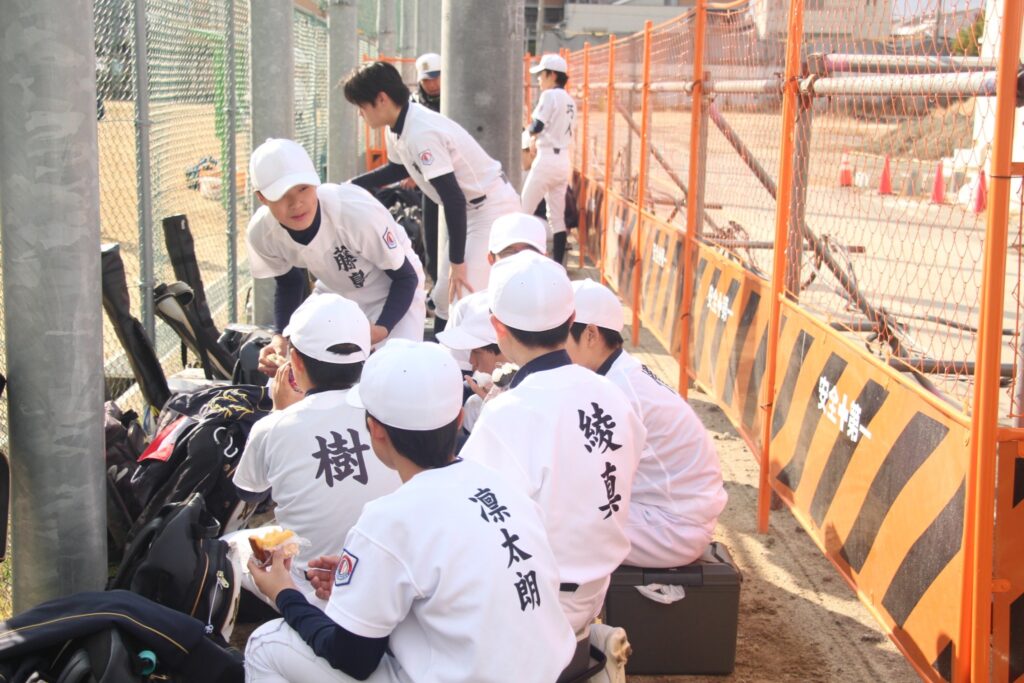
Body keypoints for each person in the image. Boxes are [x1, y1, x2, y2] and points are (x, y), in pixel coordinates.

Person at [244, 340, 576, 683]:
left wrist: (284, 592)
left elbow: (352, 658)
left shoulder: (389, 518)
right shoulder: (502, 483)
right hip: (548, 671)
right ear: (459, 419)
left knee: (264, 644)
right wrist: (361, 575)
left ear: (375, 429)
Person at [460, 252, 645, 658]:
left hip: (535, 599)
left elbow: (470, 522)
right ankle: (585, 643)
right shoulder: (613, 393)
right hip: (596, 589)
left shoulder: (508, 413)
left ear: (497, 327)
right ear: (571, 318)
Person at [228, 294, 402, 607]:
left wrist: (281, 414)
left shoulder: (272, 427)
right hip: (388, 585)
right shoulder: (391, 411)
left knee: (230, 547)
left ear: (294, 361)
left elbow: (249, 492)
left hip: (310, 594)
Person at [343, 61, 520, 333]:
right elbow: (398, 168)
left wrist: (457, 263)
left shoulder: (420, 130)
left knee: (462, 295)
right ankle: (447, 353)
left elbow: (453, 198)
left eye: (361, 105)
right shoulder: (398, 124)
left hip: (491, 208)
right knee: (444, 297)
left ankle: (474, 357)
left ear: (381, 99)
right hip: (473, 208)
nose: (360, 113)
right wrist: (354, 185)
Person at [567, 279, 728, 568]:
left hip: (671, 527)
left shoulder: (618, 390)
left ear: (590, 335)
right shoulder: (620, 372)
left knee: (560, 517)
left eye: (560, 336)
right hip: (666, 514)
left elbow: (584, 474)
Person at [246, 138, 426, 376]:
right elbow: (290, 283)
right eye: (281, 195)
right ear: (262, 197)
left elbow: (406, 278)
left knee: (397, 374)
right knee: (302, 372)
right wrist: (280, 336)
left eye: (303, 188)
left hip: (393, 289)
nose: (296, 203)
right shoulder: (262, 232)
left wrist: (381, 329)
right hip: (336, 291)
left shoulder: (354, 212)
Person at [521, 53, 576, 265]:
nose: (539, 79)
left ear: (553, 75)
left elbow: (537, 126)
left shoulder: (550, 96)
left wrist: (528, 134)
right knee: (557, 219)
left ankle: (520, 258)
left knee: (522, 210)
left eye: (542, 74)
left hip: (546, 160)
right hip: (563, 161)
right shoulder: (570, 100)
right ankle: (558, 265)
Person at [405, 52, 442, 284]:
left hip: (454, 178)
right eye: (427, 80)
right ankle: (437, 283)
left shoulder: (455, 98)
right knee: (432, 240)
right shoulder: (413, 104)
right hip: (428, 182)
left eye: (436, 78)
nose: (432, 84)